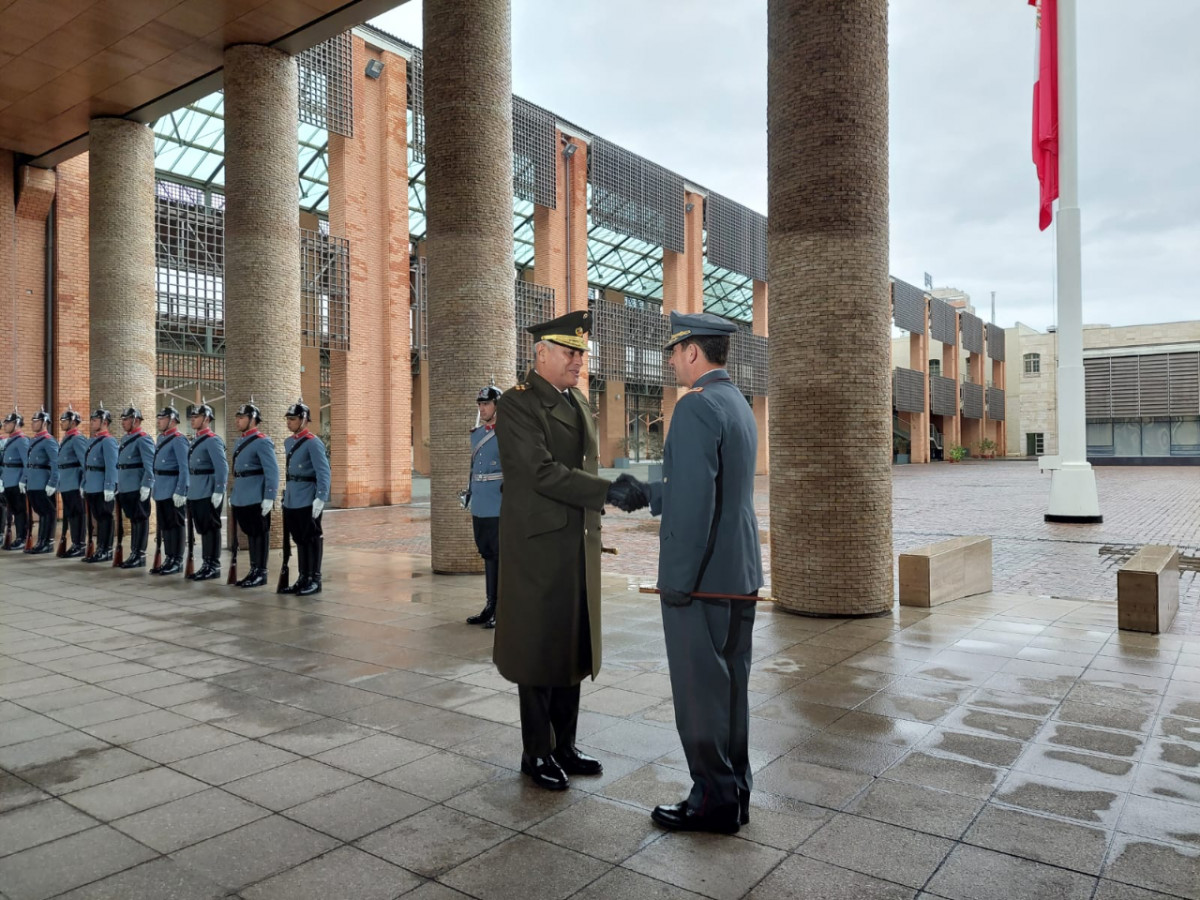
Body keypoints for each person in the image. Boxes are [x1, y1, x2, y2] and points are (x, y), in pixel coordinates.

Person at [609, 311, 764, 835]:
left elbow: (697, 503)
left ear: (693, 352)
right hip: (738, 572)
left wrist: (676, 580)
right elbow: (710, 487)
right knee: (732, 691)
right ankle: (735, 790)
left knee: (700, 693)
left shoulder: (695, 407)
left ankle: (711, 801)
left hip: (701, 579)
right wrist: (649, 494)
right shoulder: (736, 402)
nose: (671, 360)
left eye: (675, 351)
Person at [493, 310, 634, 791]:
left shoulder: (575, 399)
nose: (579, 361)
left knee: (571, 641)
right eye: (572, 352)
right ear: (542, 353)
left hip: (575, 539)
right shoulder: (517, 404)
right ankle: (536, 753)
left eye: (582, 353)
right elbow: (538, 471)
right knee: (536, 648)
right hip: (537, 547)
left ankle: (564, 746)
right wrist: (607, 491)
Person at [281, 398, 330, 596]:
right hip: (293, 496)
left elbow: (323, 472)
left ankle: (314, 579)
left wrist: (321, 497)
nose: (289, 422)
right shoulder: (288, 442)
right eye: (288, 419)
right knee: (299, 538)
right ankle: (303, 577)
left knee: (311, 538)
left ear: (304, 420)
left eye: (292, 419)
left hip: (308, 496)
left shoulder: (313, 443)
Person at [465, 384, 503, 628]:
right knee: (488, 555)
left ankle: (502, 610)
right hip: (480, 504)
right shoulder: (477, 434)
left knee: (501, 558)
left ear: (497, 406)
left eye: (486, 404)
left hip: (499, 505)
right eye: (480, 404)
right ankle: (490, 606)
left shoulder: (507, 434)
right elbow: (473, 470)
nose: (482, 408)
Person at [230, 401, 279, 588]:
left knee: (260, 534)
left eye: (241, 418)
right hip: (242, 494)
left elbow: (272, 471)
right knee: (250, 534)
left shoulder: (262, 441)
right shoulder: (240, 441)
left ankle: (261, 572)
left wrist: (269, 496)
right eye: (237, 417)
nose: (238, 421)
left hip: (256, 495)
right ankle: (253, 570)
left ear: (253, 420)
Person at [186, 402, 227, 581]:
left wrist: (218, 490)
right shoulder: (195, 440)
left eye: (196, 417)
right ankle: (206, 563)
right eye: (192, 417)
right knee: (202, 529)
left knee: (211, 528)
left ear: (207, 419)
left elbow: (222, 467)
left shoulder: (212, 440)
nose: (192, 420)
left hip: (208, 489)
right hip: (196, 489)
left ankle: (213, 565)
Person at [115, 406, 155, 569]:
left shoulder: (143, 438)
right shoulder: (126, 439)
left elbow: (149, 465)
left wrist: (146, 485)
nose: (123, 423)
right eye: (123, 419)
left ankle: (139, 554)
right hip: (126, 486)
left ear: (136, 421)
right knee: (133, 520)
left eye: (126, 419)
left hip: (137, 486)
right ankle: (133, 552)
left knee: (140, 519)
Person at [151, 406, 189, 575]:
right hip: (161, 486)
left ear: (172, 420)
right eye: (159, 417)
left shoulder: (179, 439)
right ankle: (169, 557)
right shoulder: (161, 438)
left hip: (173, 487)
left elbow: (184, 467)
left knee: (176, 524)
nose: (159, 421)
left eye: (162, 418)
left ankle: (177, 559)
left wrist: (181, 490)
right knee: (165, 524)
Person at [19, 408, 59, 554]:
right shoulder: (34, 440)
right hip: (33, 482)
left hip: (43, 482)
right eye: (33, 421)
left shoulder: (49, 441)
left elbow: (56, 463)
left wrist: (52, 482)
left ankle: (47, 542)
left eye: (36, 421)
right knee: (41, 512)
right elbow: (28, 463)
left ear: (44, 423)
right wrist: (25, 480)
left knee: (48, 512)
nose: (33, 423)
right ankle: (41, 541)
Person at [82, 406, 119, 563]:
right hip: (92, 484)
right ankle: (99, 548)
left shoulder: (108, 441)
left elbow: (112, 466)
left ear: (104, 422)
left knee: (105, 518)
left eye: (95, 420)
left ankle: (106, 549)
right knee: (97, 517)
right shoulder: (93, 440)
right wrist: (84, 483)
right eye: (91, 419)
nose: (91, 422)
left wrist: (110, 486)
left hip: (102, 486)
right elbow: (86, 465)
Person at [57, 406, 89, 558]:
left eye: (64, 420)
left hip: (75, 482)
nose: (61, 423)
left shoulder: (77, 439)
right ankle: (75, 543)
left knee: (78, 514)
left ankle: (80, 544)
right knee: (70, 514)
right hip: (66, 482)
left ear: (73, 422)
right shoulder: (66, 438)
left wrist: (83, 484)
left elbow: (85, 463)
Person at [1, 410, 30, 549]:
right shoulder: (11, 440)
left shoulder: (22, 441)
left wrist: (23, 480)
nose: (5, 425)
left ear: (16, 424)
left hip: (17, 481)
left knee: (19, 511)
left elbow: (27, 463)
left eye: (8, 423)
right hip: (8, 480)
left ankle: (21, 538)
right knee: (13, 510)